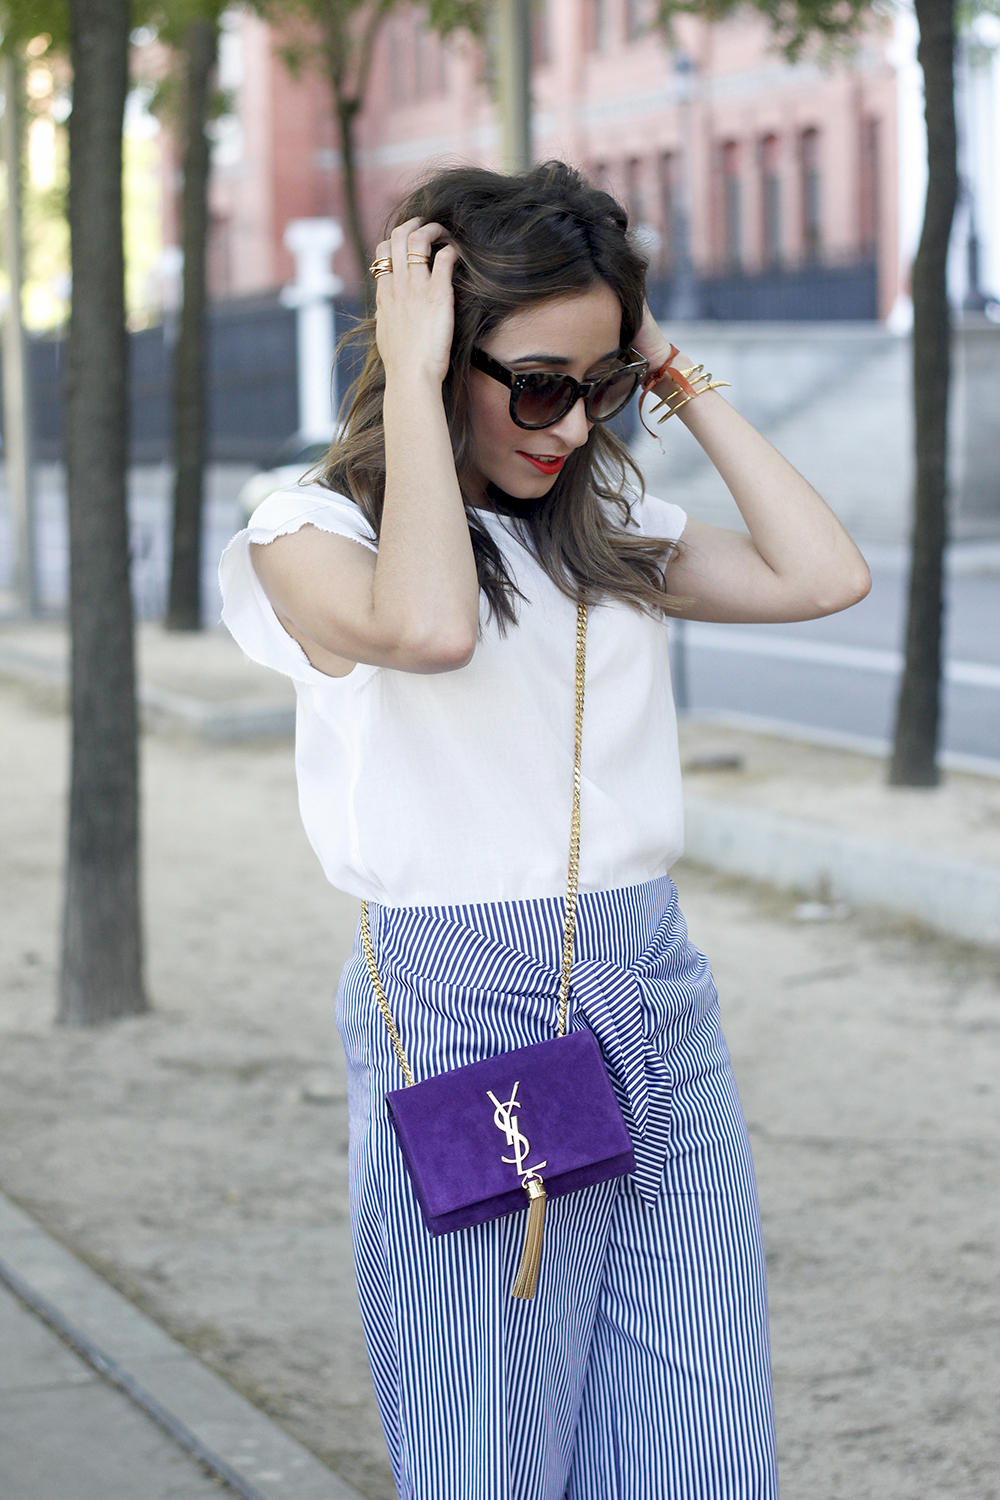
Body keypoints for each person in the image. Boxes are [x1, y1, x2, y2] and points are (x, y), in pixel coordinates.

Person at [220, 161, 870, 1500]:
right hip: (462, 1010)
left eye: (601, 385)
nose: (569, 426)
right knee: (491, 1440)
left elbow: (825, 575)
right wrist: (411, 386)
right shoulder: (307, 530)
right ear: (441, 351)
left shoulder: (602, 532)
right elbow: (428, 630)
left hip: (652, 994)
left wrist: (673, 373)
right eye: (534, 381)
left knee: (696, 1429)